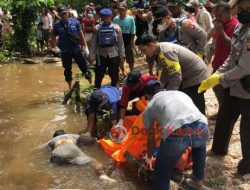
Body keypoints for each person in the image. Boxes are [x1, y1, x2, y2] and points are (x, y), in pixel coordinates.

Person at [198, 0, 250, 176]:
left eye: (248, 10)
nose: (243, 13)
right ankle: (219, 149)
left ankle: (247, 166)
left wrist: (222, 78)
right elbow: (231, 57)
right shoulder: (240, 29)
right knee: (224, 118)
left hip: (247, 90)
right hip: (234, 86)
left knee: (247, 130)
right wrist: (216, 75)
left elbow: (245, 66)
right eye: (241, 9)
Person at [142, 80, 209, 190]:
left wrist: (149, 157)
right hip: (202, 125)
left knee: (162, 169)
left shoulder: (150, 106)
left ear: (148, 95)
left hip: (177, 132)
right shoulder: (179, 93)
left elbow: (151, 140)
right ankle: (198, 179)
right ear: (162, 89)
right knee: (199, 147)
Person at [138, 34, 209, 114]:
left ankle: (201, 123)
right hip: (189, 75)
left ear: (151, 46)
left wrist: (168, 96)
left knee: (191, 101)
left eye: (144, 50)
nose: (143, 53)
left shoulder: (166, 52)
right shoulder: (160, 50)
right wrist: (160, 89)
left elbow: (176, 76)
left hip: (196, 76)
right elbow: (165, 73)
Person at [208, 2, 239, 118]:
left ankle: (226, 114)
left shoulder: (236, 25)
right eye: (215, 15)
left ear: (229, 13)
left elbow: (232, 45)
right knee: (217, 87)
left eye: (220, 15)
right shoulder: (220, 24)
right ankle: (223, 111)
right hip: (218, 62)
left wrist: (220, 31)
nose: (217, 18)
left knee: (223, 90)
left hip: (229, 66)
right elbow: (215, 43)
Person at [48, 129, 115, 182]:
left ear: (54, 137)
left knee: (56, 166)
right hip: (71, 148)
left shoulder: (51, 141)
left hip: (57, 152)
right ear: (65, 133)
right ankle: (103, 175)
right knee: (94, 162)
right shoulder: (72, 135)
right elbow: (91, 140)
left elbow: (47, 150)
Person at [51, 5, 91, 89]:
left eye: (65, 13)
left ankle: (91, 84)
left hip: (76, 49)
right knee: (67, 70)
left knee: (84, 67)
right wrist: (55, 47)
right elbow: (53, 37)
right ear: (59, 15)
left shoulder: (75, 22)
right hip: (65, 51)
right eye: (61, 14)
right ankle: (70, 88)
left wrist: (85, 46)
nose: (63, 16)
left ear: (68, 13)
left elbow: (81, 34)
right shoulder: (57, 25)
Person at [89, 8, 125, 88]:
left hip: (114, 55)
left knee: (114, 74)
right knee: (99, 75)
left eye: (107, 18)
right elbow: (93, 44)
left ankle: (114, 89)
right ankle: (96, 91)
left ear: (111, 17)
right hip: (101, 55)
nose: (105, 20)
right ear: (101, 18)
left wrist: (122, 56)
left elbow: (120, 43)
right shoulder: (97, 28)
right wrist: (91, 57)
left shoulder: (116, 28)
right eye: (103, 18)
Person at [113, 2, 136, 76]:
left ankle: (132, 71)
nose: (121, 12)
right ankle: (123, 71)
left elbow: (133, 30)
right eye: (119, 10)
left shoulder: (131, 19)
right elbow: (113, 30)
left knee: (130, 58)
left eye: (122, 10)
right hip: (119, 40)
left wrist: (132, 41)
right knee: (120, 58)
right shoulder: (115, 19)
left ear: (126, 10)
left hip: (128, 40)